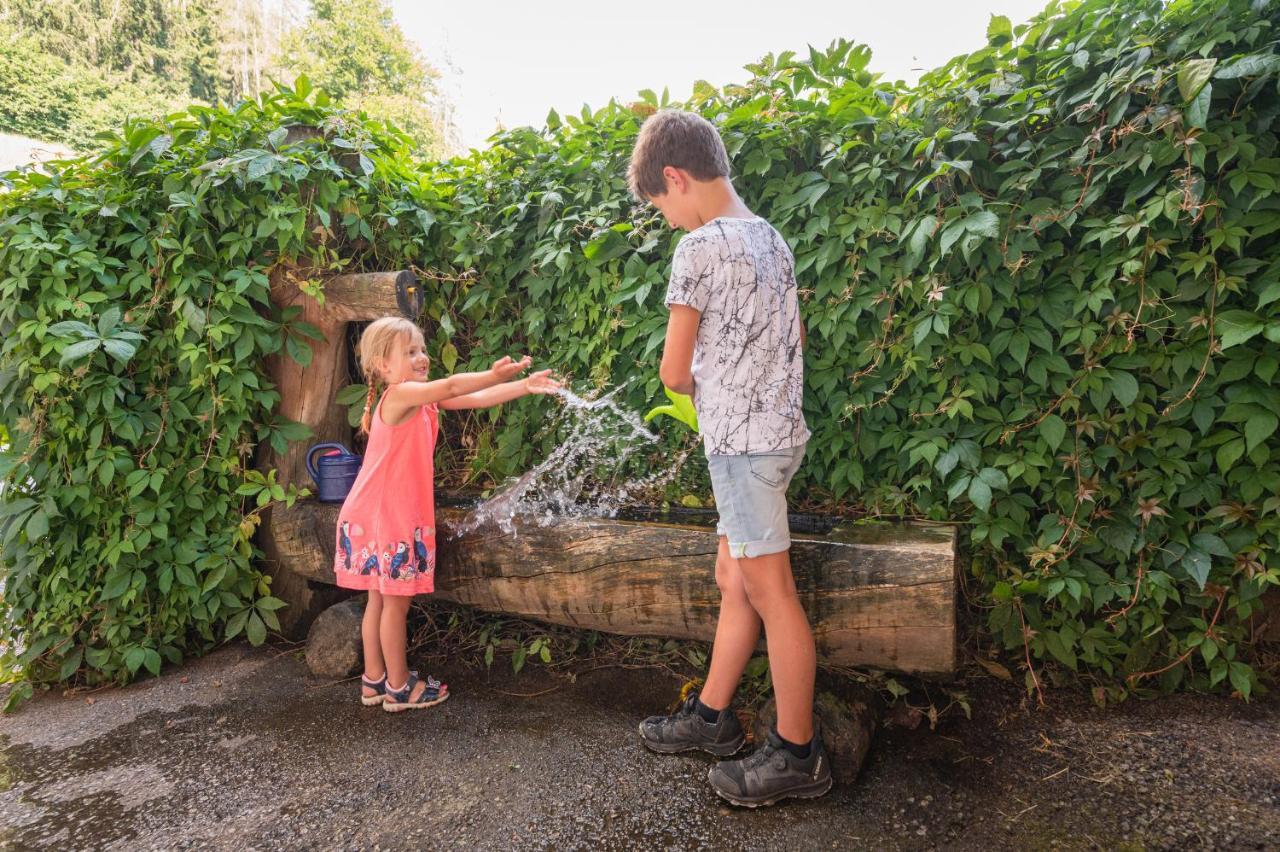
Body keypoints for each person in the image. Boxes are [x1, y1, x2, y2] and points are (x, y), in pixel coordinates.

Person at [628, 110, 829, 805]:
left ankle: (797, 752)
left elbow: (673, 372)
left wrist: (707, 388)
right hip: (776, 435)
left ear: (676, 178)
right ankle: (713, 717)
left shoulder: (700, 250)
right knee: (733, 576)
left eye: (665, 208)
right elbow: (794, 331)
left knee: (773, 594)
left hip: (742, 447)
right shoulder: (771, 239)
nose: (672, 223)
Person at [334, 316, 560, 711]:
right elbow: (457, 384)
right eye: (409, 352)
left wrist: (523, 386)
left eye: (422, 349)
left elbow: (471, 398)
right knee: (394, 605)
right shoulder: (401, 395)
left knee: (377, 600)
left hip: (370, 514)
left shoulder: (420, 397)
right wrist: (492, 373)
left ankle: (374, 680)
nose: (421, 358)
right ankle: (400, 687)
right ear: (383, 367)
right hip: (390, 517)